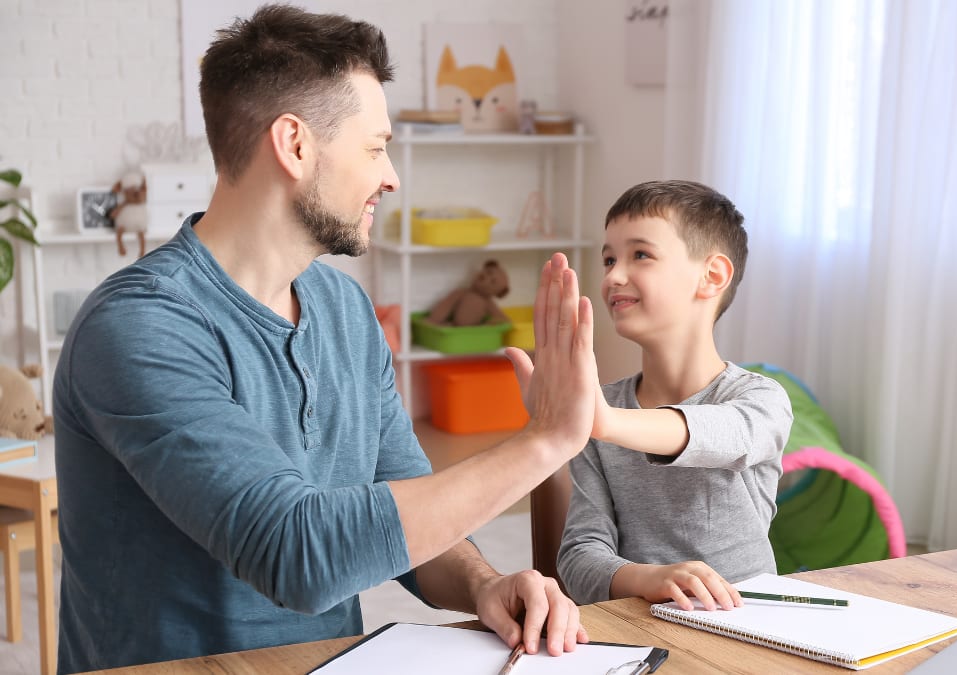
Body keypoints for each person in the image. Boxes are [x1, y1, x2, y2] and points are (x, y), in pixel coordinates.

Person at [53, 5, 596, 672]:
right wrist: (545, 440)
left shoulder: (345, 308)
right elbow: (297, 552)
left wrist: (485, 584)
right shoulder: (137, 326)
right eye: (375, 147)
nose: (391, 175)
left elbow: (409, 516)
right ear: (296, 145)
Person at [556, 180, 793, 609]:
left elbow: (728, 436)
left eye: (640, 255)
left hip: (748, 629)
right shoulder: (601, 414)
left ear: (711, 276)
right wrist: (650, 579)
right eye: (609, 259)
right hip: (637, 625)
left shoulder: (761, 400)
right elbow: (578, 560)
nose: (613, 275)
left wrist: (606, 423)